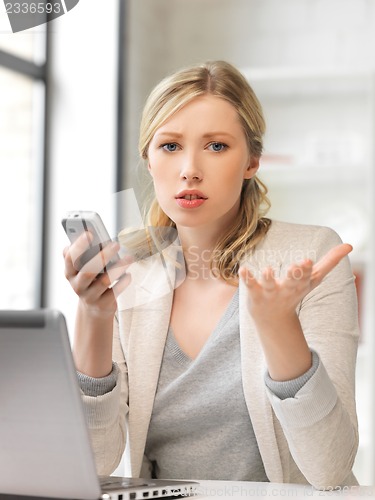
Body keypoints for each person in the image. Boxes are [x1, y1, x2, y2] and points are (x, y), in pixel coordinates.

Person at [63, 60, 359, 489]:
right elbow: (92, 464)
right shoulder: (129, 267)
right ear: (148, 160)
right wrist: (92, 313)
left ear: (253, 160)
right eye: (169, 146)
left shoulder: (309, 254)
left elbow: (329, 468)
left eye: (216, 146)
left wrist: (279, 327)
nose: (189, 169)